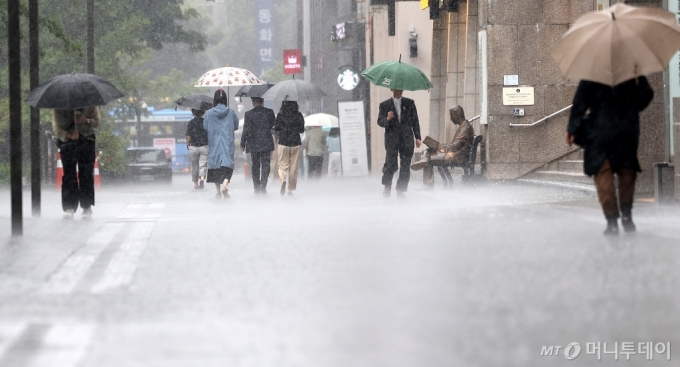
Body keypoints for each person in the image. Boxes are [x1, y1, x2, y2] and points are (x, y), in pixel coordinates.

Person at [567, 76, 654, 235]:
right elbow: (645, 95)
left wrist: (572, 128)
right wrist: (631, 106)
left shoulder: (594, 72)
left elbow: (580, 101)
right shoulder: (630, 71)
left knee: (603, 177)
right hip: (625, 132)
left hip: (601, 134)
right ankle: (626, 214)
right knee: (627, 174)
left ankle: (612, 221)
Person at [52, 107, 101, 219]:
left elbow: (97, 122)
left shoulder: (90, 104)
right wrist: (69, 135)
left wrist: (86, 120)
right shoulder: (59, 107)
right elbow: (57, 128)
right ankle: (69, 206)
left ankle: (86, 206)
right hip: (67, 143)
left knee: (86, 174)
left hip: (87, 140)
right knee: (69, 175)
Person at [411, 105, 474, 188]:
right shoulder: (463, 126)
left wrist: (443, 148)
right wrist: (442, 146)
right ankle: (423, 159)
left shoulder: (466, 127)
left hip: (457, 156)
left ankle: (427, 185)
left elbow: (457, 145)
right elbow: (455, 144)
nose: (451, 119)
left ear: (457, 116)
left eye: (451, 116)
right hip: (453, 152)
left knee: (429, 160)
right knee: (427, 150)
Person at [377, 89, 421, 198]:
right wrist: (387, 118)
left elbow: (415, 120)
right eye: (396, 89)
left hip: (406, 138)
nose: (399, 91)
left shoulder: (409, 103)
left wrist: (418, 137)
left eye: (400, 89)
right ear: (392, 90)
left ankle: (401, 189)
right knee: (390, 163)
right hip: (392, 139)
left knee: (405, 165)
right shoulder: (384, 105)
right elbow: (380, 121)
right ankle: (387, 186)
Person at [203, 89, 239, 199]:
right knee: (227, 165)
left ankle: (218, 191)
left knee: (216, 166)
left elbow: (205, 127)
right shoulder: (231, 112)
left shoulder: (209, 113)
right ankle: (226, 185)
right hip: (227, 143)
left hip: (214, 143)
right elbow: (236, 126)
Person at [241, 97, 276, 194]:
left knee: (255, 165)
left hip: (253, 143)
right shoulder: (269, 112)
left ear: (253, 102)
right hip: (266, 142)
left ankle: (256, 186)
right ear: (262, 101)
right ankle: (263, 185)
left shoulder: (248, 114)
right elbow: (274, 126)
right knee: (266, 164)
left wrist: (243, 143)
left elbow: (246, 129)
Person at [274, 100, 305, 196]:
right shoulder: (298, 115)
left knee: (282, 166)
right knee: (293, 167)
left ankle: (283, 180)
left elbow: (276, 128)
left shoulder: (280, 115)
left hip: (283, 143)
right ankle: (290, 189)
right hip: (295, 143)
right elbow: (301, 129)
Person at [186, 109, 209, 190]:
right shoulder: (206, 122)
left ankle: (195, 183)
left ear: (193, 113)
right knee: (203, 164)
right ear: (203, 112)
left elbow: (188, 135)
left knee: (195, 166)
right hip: (204, 146)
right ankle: (202, 178)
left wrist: (188, 143)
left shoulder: (191, 123)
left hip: (194, 147)